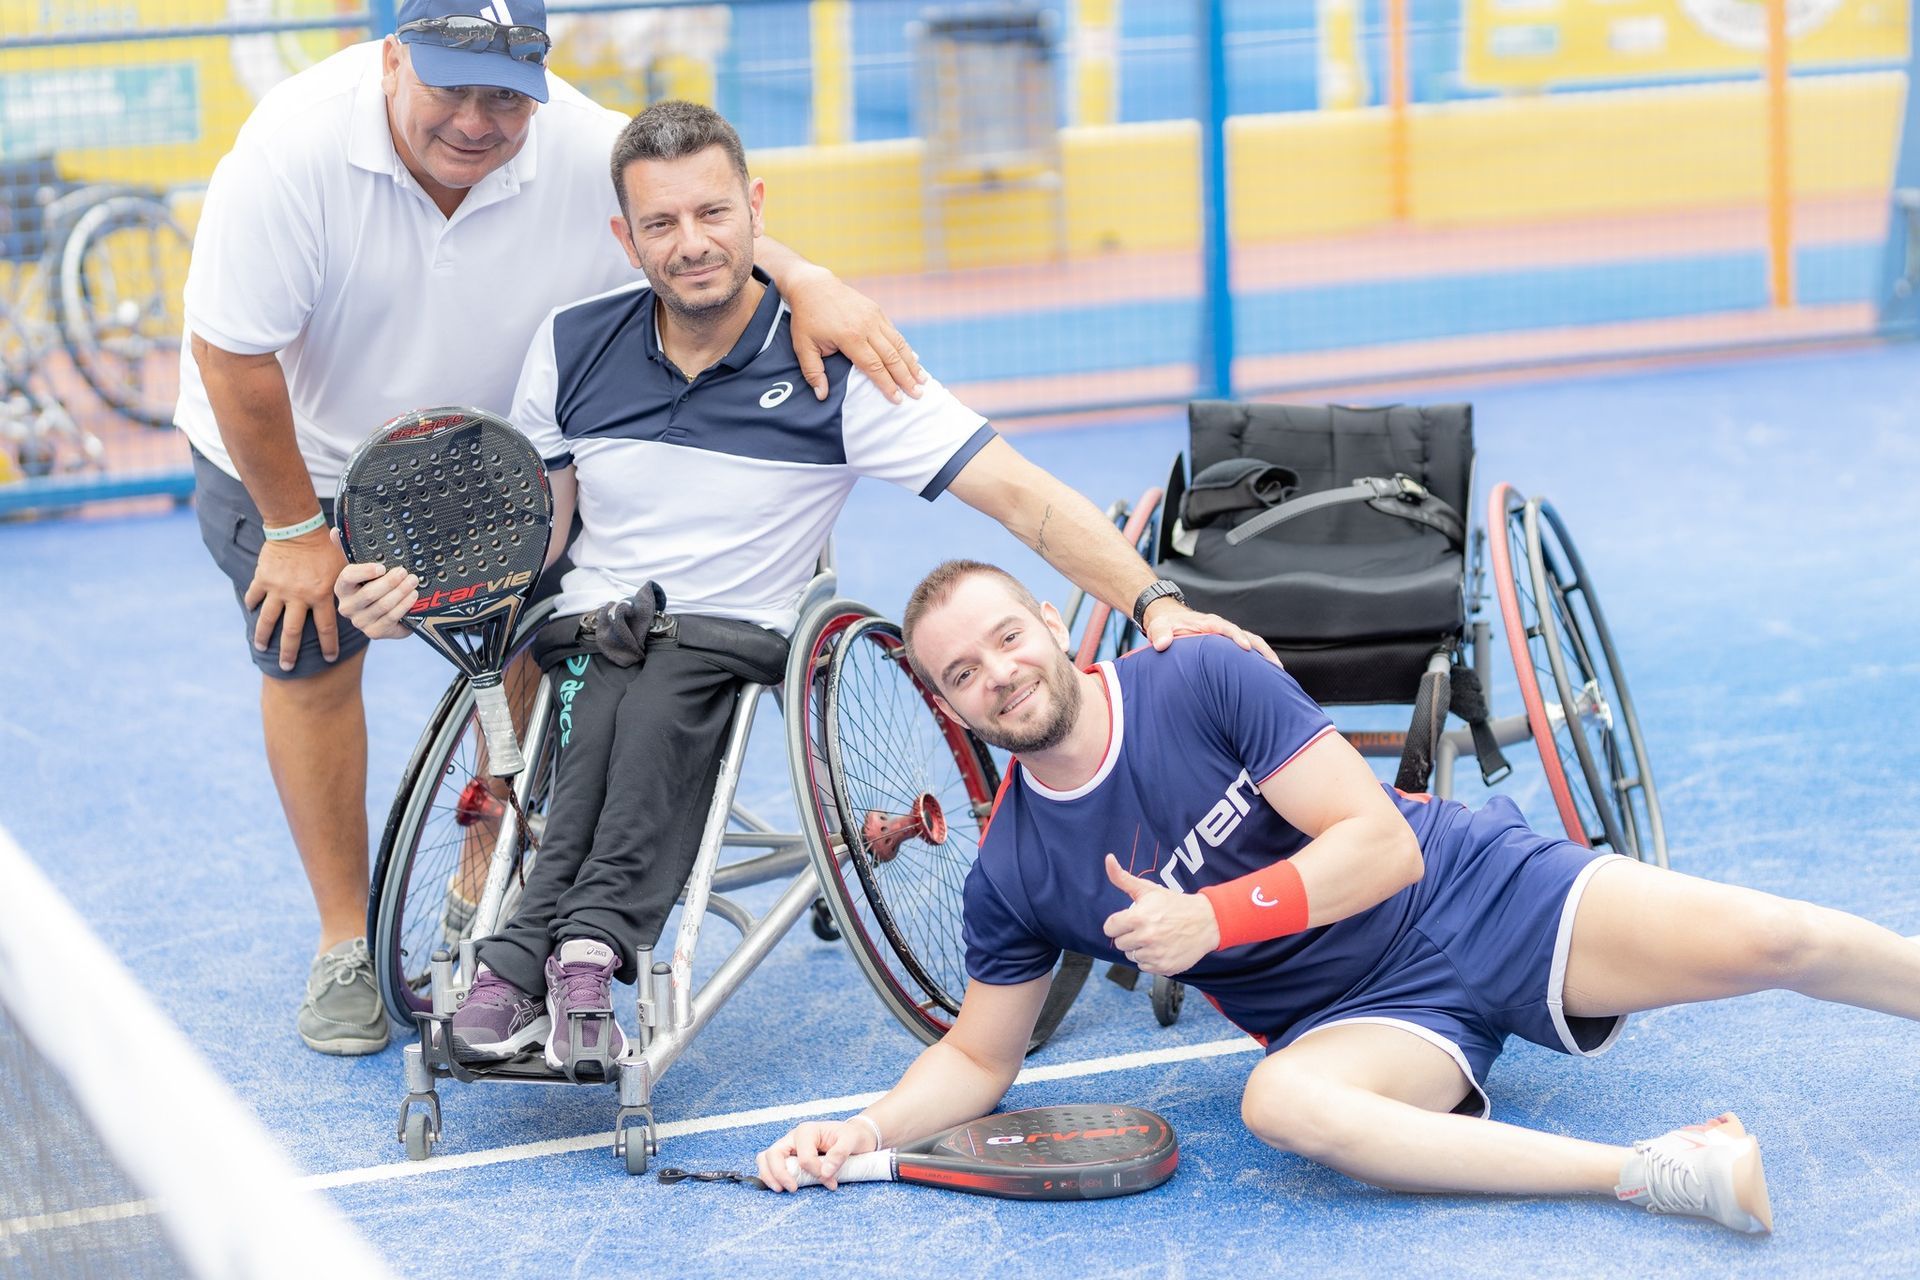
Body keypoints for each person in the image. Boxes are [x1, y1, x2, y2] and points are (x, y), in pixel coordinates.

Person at [334, 100, 1270, 1079]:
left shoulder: (842, 366)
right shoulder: (570, 344)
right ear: (625, 238)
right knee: (597, 700)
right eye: (661, 223)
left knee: (648, 702)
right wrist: (416, 603)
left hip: (729, 631)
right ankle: (546, 959)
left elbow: (1020, 496)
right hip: (596, 630)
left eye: (713, 213)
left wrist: (1156, 603)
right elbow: (540, 539)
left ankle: (564, 956)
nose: (691, 243)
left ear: (755, 209)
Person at [178, 0, 933, 1056]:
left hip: (483, 453)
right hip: (290, 446)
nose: (477, 120)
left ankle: (484, 882)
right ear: (391, 61)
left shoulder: (579, 143)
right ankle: (345, 940)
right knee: (312, 656)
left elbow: (700, 220)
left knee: (541, 634)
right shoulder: (292, 149)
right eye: (450, 87)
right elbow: (231, 355)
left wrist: (808, 281)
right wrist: (298, 528)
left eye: (506, 94)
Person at [757, 558, 1920, 1234]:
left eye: (1008, 636)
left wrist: (1211, 919)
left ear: (1052, 624)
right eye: (963, 672)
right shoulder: (1015, 867)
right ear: (950, 706)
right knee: (1282, 1103)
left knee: (1777, 935)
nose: (999, 673)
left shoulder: (1196, 676)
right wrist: (863, 1128)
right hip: (1362, 1023)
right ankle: (1655, 1166)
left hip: (1473, 894)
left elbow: (1381, 847)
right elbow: (978, 1055)